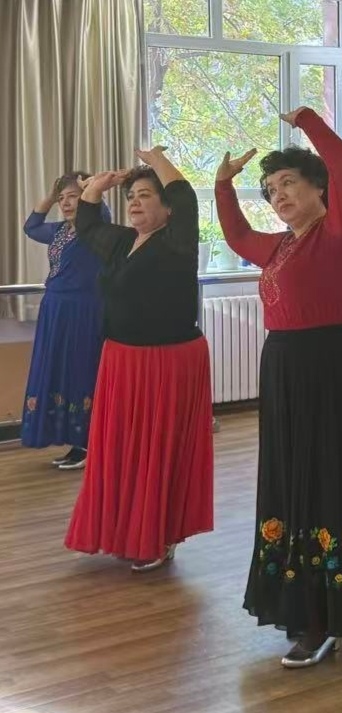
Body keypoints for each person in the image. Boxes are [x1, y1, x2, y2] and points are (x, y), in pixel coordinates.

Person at [215, 107, 342, 668]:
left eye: (288, 183)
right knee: (290, 479)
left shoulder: (341, 232)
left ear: (318, 188)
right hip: (284, 368)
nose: (278, 195)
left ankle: (326, 615)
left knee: (326, 480)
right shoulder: (279, 247)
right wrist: (223, 186)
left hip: (331, 367)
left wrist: (305, 119)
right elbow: (237, 235)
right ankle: (299, 601)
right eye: (271, 189)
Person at [65, 149, 214, 572]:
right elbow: (87, 223)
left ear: (167, 209)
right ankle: (123, 530)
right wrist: (96, 187)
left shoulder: (178, 243)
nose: (134, 202)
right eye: (131, 196)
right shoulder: (121, 243)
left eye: (145, 195)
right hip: (122, 360)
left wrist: (155, 160)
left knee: (158, 452)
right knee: (121, 451)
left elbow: (186, 197)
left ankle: (159, 535)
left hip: (168, 362)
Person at [21, 172, 106, 469]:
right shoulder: (59, 231)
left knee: (80, 369)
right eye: (62, 199)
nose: (66, 203)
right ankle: (72, 440)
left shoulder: (95, 229)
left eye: (73, 196)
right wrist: (51, 193)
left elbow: (102, 213)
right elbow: (31, 227)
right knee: (58, 370)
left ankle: (87, 443)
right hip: (55, 309)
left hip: (83, 310)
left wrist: (90, 189)